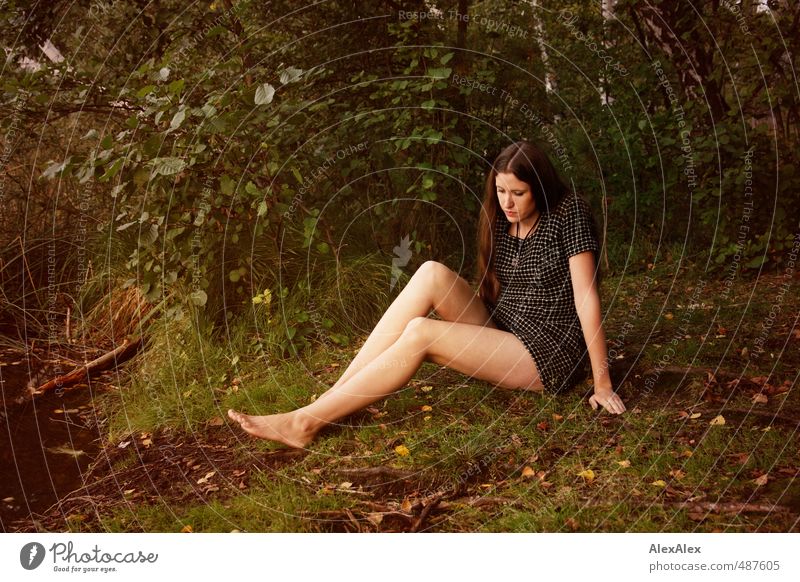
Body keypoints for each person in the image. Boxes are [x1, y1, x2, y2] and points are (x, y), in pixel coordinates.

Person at [228, 140, 626, 448]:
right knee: (430, 272)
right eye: (501, 190)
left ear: (538, 187)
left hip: (545, 353)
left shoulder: (567, 213)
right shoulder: (503, 217)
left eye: (518, 193)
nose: (507, 202)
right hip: (503, 328)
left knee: (421, 332)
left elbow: (586, 299)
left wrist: (602, 382)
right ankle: (331, 400)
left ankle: (305, 424)